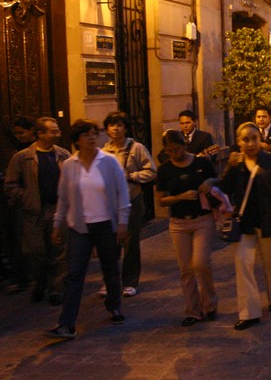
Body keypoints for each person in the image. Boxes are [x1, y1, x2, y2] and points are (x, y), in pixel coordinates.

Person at [46, 119, 129, 339]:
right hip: (79, 227)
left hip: (106, 225)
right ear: (77, 140)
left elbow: (123, 194)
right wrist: (57, 224)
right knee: (74, 274)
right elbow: (63, 198)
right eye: (86, 135)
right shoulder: (70, 165)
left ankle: (114, 305)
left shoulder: (109, 162)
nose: (92, 138)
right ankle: (67, 323)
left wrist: (123, 221)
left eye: (94, 133)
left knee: (110, 268)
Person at [218, 123, 271, 331]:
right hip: (245, 222)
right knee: (242, 262)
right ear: (238, 142)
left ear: (260, 140)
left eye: (254, 139)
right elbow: (225, 187)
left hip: (270, 220)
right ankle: (249, 312)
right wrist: (229, 167)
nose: (250, 144)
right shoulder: (237, 164)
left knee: (270, 261)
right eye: (245, 139)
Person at [4, 117, 71, 303]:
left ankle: (56, 288)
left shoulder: (63, 154)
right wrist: (24, 197)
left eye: (57, 130)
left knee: (59, 250)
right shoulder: (23, 157)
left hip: (57, 210)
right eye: (53, 131)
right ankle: (40, 281)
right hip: (34, 212)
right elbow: (10, 184)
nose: (58, 134)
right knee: (34, 251)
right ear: (40, 133)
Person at [156, 129, 218, 327]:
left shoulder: (200, 162)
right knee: (185, 269)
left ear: (184, 145)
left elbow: (217, 179)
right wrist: (180, 197)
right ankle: (193, 310)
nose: (175, 154)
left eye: (178, 149)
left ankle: (209, 304)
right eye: (170, 151)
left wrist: (208, 182)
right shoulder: (165, 169)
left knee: (200, 263)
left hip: (202, 218)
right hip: (178, 223)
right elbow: (161, 200)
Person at [101, 112, 156, 298]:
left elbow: (151, 171)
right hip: (111, 204)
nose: (115, 129)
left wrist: (132, 176)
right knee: (110, 242)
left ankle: (130, 281)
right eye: (111, 125)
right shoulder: (103, 151)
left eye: (119, 125)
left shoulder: (136, 148)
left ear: (126, 127)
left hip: (132, 200)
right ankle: (111, 280)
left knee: (131, 242)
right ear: (107, 129)